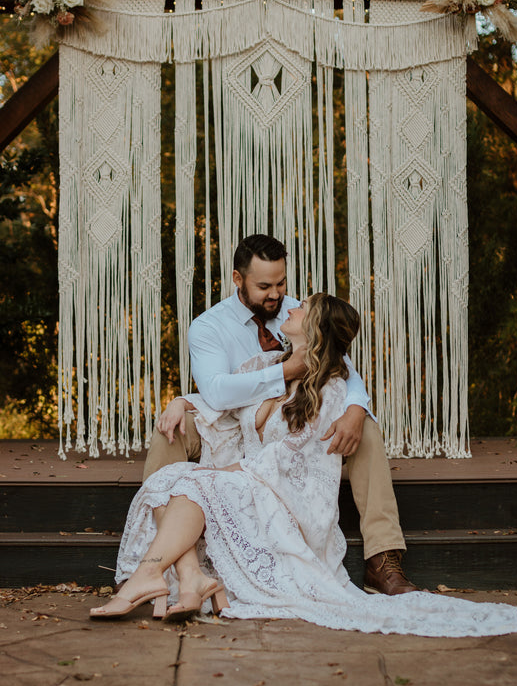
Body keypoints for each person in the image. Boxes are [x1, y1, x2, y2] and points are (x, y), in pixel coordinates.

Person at [90, 293, 517, 638]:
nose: (289, 303)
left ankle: (154, 574)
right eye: (282, 295)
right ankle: (185, 578)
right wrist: (183, 400)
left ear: (314, 329)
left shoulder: (331, 389)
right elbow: (224, 403)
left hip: (285, 498)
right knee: (174, 479)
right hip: (248, 481)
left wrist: (228, 475)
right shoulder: (264, 363)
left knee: (184, 483)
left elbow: (297, 465)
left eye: (300, 306)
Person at [144, 234, 414, 596]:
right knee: (170, 430)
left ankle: (383, 559)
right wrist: (283, 372)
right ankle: (157, 559)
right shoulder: (210, 327)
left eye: (281, 282)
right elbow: (219, 392)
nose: (277, 295)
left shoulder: (300, 314)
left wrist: (354, 408)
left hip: (290, 437)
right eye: (264, 286)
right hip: (235, 427)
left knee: (362, 426)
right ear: (238, 280)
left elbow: (345, 372)